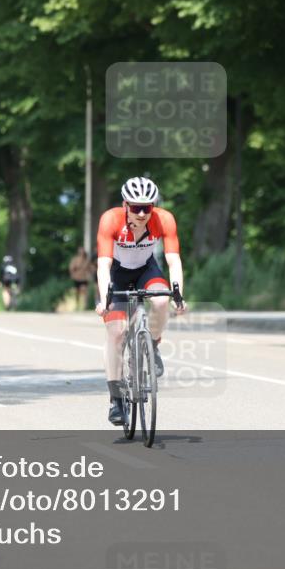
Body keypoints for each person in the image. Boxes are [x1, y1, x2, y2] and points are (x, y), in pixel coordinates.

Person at [95, 176, 187, 426]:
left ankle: (153, 345)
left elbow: (173, 260)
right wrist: (105, 299)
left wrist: (177, 293)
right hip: (117, 272)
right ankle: (115, 399)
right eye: (136, 207)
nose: (143, 213)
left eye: (149, 206)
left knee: (160, 302)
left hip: (147, 269)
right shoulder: (110, 219)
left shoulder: (164, 219)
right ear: (125, 205)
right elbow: (103, 264)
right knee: (116, 332)